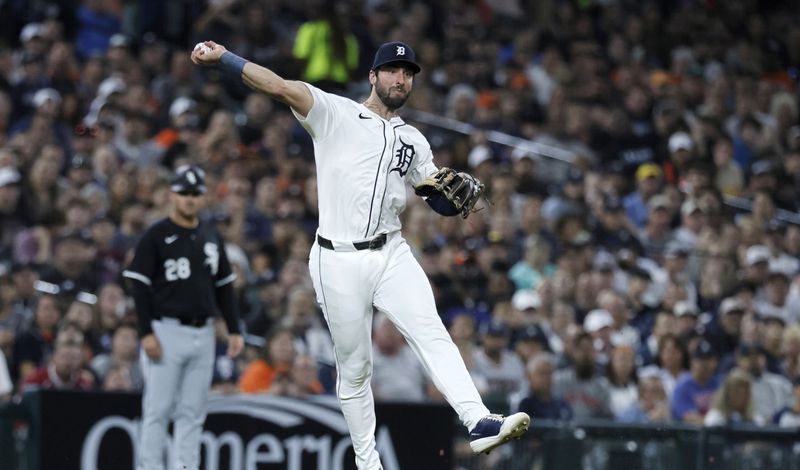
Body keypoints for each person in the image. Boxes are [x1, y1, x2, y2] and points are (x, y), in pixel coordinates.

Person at [191, 40, 529, 467]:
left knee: (431, 332)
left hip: (391, 251)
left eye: (407, 73)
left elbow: (435, 199)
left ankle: (478, 420)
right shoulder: (333, 112)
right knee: (355, 369)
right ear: (373, 76)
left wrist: (456, 198)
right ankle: (367, 462)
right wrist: (224, 59)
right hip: (337, 258)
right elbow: (277, 86)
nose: (400, 78)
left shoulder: (414, 140)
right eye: (391, 70)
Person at [122, 165, 244, 470]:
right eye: (184, 193)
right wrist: (145, 331)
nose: (189, 199)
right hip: (166, 330)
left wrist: (234, 329)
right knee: (158, 409)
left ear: (202, 198)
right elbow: (139, 285)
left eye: (195, 194)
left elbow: (224, 286)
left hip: (203, 333)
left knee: (193, 411)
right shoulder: (157, 234)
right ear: (172, 195)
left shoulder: (210, 235)